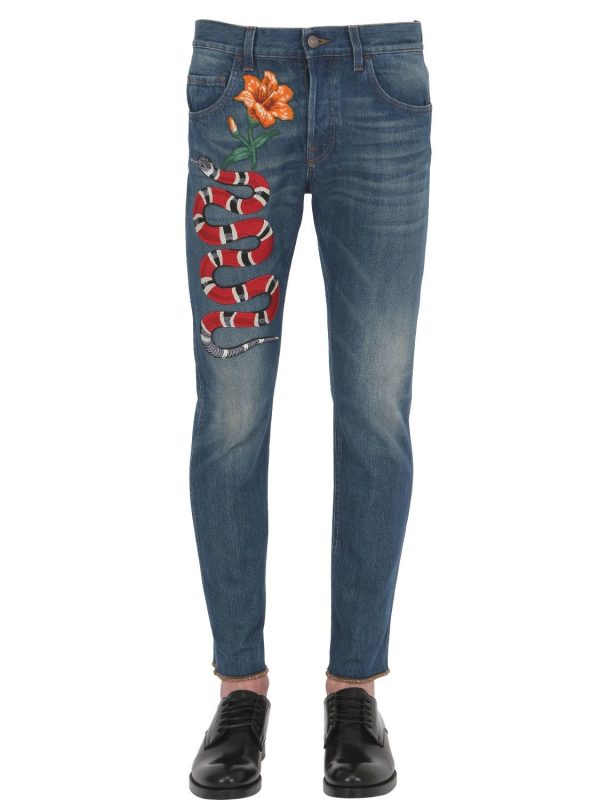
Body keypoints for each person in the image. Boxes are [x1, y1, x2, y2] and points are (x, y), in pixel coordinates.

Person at [184, 19, 432, 798]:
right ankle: (240, 692)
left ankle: (355, 691)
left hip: (382, 82)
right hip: (239, 76)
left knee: (376, 410)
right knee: (231, 415)